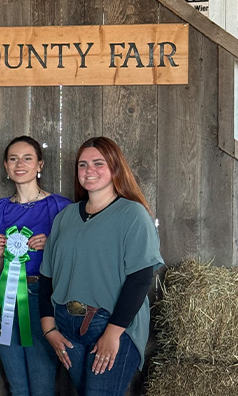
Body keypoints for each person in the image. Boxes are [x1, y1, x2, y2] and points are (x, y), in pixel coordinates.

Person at [39, 137, 163, 395]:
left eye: (98, 163)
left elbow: (140, 280)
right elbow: (47, 276)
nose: (89, 170)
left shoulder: (133, 215)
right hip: (67, 324)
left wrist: (112, 334)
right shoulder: (65, 217)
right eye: (82, 165)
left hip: (111, 324)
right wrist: (49, 327)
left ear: (115, 167)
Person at [0, 136, 70, 396]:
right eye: (13, 159)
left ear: (39, 165)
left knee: (42, 385)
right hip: (7, 300)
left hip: (43, 299)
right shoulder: (0, 208)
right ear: (5, 166)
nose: (19, 164)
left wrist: (53, 246)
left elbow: (74, 261)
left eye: (27, 158)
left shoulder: (59, 206)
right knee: (17, 386)